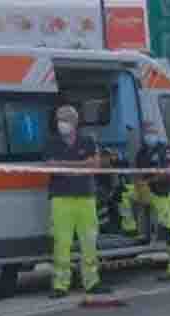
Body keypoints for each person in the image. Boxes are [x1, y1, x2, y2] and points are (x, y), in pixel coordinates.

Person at [45, 105, 111, 299]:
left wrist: (64, 165)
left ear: (74, 122)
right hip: (60, 199)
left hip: (85, 198)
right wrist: (81, 165)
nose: (61, 124)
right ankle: (60, 284)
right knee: (61, 243)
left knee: (89, 241)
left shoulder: (88, 141)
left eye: (64, 119)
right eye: (58, 120)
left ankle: (91, 282)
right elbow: (50, 168)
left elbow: (95, 166)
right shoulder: (52, 143)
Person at [135, 124, 170, 281]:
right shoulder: (142, 153)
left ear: (157, 133)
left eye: (151, 132)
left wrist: (146, 182)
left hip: (166, 194)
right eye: (146, 132)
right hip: (151, 192)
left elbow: (167, 174)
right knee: (124, 195)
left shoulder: (166, 150)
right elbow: (137, 174)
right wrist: (139, 187)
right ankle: (131, 228)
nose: (149, 135)